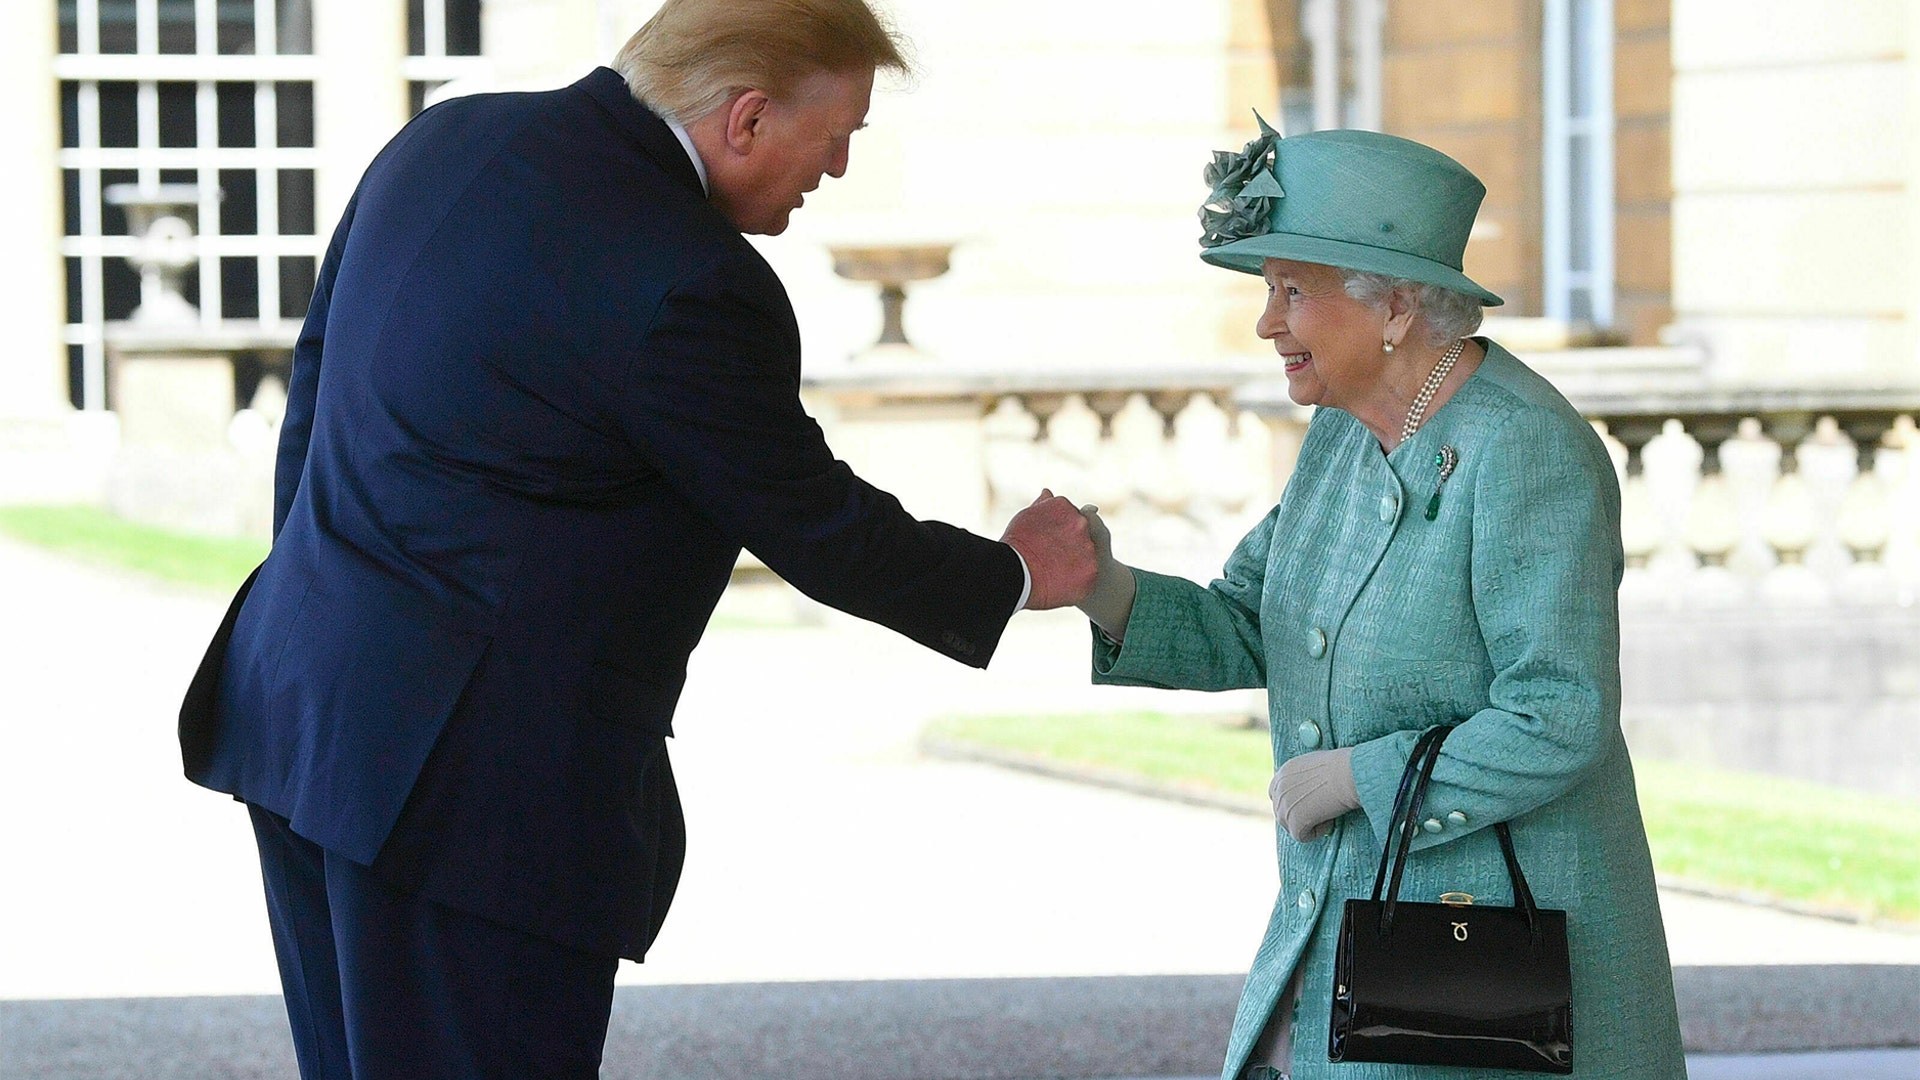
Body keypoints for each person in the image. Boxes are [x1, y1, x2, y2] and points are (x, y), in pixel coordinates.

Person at [176, 2, 1096, 1076]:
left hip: (301, 709)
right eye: (841, 132)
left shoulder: (444, 140)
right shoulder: (694, 279)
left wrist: (327, 608)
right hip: (467, 799)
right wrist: (1017, 570)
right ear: (746, 119)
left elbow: (316, 393)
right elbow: (810, 519)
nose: (839, 167)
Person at [1066, 122, 1687, 1079]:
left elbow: (1560, 715)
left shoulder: (1525, 450)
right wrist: (1102, 588)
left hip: (1491, 969)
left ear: (1393, 307)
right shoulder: (1345, 438)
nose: (1268, 323)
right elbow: (1250, 617)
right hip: (1354, 939)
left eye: (1291, 292)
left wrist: (1361, 777)